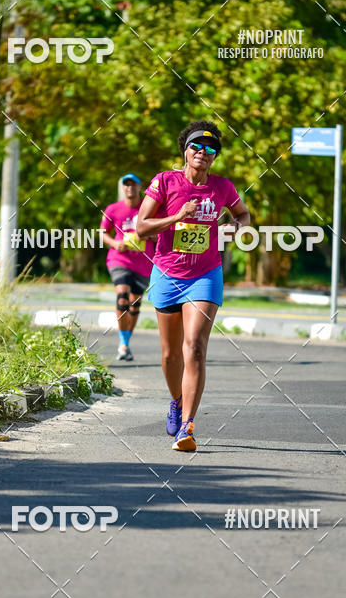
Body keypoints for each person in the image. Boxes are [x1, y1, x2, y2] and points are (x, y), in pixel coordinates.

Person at [136, 121, 250, 452]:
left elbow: (244, 215)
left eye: (210, 148)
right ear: (185, 151)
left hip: (205, 274)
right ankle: (175, 400)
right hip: (167, 273)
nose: (203, 152)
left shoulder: (223, 187)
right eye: (196, 146)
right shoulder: (164, 181)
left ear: (215, 156)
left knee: (195, 347)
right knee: (171, 354)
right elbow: (141, 228)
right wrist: (177, 217)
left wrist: (235, 226)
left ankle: (187, 425)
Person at [100, 173, 155, 361]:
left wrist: (147, 236)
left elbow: (162, 232)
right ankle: (123, 343)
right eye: (126, 185)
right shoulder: (113, 209)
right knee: (122, 295)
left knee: (134, 302)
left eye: (133, 184)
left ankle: (126, 343)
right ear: (122, 188)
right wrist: (115, 244)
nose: (129, 188)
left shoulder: (149, 208)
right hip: (119, 259)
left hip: (143, 262)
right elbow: (103, 233)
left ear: (140, 187)